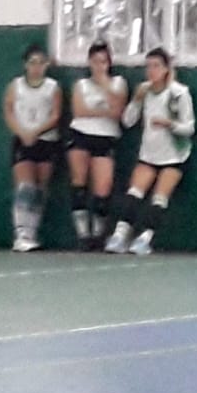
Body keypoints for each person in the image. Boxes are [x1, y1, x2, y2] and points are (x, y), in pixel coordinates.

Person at [105, 47, 195, 255]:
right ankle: (119, 236)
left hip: (174, 156)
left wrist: (169, 124)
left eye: (156, 66)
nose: (151, 71)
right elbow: (128, 121)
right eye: (148, 66)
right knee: (134, 192)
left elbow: (189, 128)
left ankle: (144, 239)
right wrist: (136, 100)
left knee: (159, 198)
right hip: (148, 155)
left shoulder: (179, 93)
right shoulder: (144, 91)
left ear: (166, 69)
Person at [66, 41, 128, 250]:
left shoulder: (118, 83)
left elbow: (118, 110)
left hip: (106, 137)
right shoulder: (81, 85)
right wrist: (104, 111)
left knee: (103, 189)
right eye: (95, 61)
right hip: (80, 134)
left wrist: (104, 85)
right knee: (79, 185)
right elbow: (79, 111)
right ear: (89, 63)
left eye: (103, 61)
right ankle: (83, 235)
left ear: (109, 63)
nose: (99, 66)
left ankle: (98, 233)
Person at [2, 44, 63, 252]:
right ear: (25, 64)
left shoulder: (53, 87)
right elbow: (9, 112)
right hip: (22, 141)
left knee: (40, 189)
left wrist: (37, 132)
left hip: (47, 141)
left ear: (46, 65)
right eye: (32, 63)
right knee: (25, 187)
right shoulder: (15, 86)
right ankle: (21, 234)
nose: (36, 67)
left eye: (41, 63)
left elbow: (55, 115)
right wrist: (22, 133)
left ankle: (32, 232)